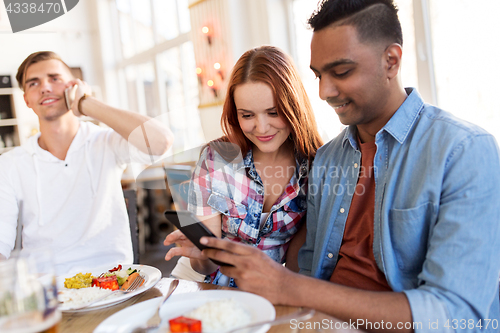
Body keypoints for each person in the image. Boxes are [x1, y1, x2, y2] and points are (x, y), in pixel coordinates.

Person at [196, 1, 500, 332]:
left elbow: (456, 314)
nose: (324, 91)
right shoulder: (326, 160)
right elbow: (309, 268)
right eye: (318, 75)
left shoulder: (463, 151)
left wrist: (287, 285)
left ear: (391, 61)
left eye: (341, 72)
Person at [0, 51, 173, 275]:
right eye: (34, 83)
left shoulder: (105, 142)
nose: (45, 87)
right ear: (26, 99)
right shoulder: (10, 164)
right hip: (49, 292)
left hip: (113, 281)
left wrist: (86, 104)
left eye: (54, 78)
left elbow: (161, 142)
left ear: (74, 85)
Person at [164, 46, 323, 286]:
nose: (261, 127)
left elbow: (297, 266)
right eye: (247, 115)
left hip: (268, 291)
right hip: (201, 283)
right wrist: (203, 254)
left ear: (294, 106)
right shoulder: (215, 158)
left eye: (273, 112)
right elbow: (204, 264)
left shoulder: (315, 167)